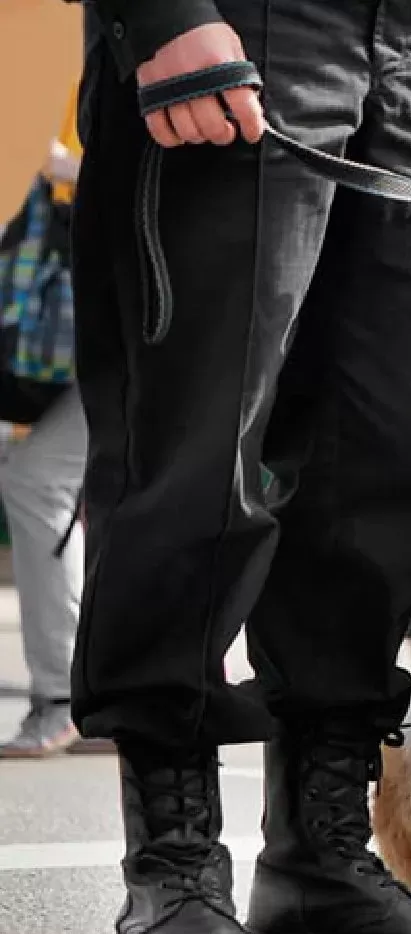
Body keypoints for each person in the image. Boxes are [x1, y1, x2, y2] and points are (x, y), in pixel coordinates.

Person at [68, 1, 411, 934]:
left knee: (376, 475)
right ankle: (174, 865)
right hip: (245, 28)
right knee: (195, 460)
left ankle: (318, 857)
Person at [0, 84, 109, 759]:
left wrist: (71, 172)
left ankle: (69, 698)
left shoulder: (160, 45)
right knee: (120, 499)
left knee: (38, 481)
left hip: (150, 331)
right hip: (115, 330)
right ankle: (109, 701)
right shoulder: (97, 69)